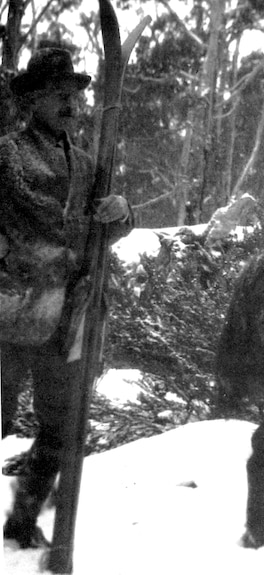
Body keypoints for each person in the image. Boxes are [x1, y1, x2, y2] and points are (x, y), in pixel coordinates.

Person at [0, 47, 133, 548]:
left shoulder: (87, 162)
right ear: (31, 99)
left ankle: (21, 519)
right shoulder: (6, 154)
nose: (71, 105)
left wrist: (121, 213)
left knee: (62, 430)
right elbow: (35, 215)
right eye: (59, 95)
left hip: (66, 318)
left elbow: (107, 230)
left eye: (75, 96)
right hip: (9, 312)